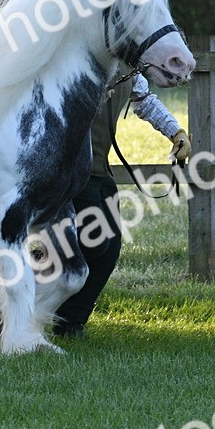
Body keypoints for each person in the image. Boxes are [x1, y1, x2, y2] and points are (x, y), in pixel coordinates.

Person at [53, 71, 190, 338]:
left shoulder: (129, 67)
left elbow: (144, 100)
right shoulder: (84, 58)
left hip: (100, 170)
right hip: (70, 171)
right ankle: (19, 290)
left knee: (109, 248)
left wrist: (176, 132)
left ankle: (70, 321)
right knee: (90, 245)